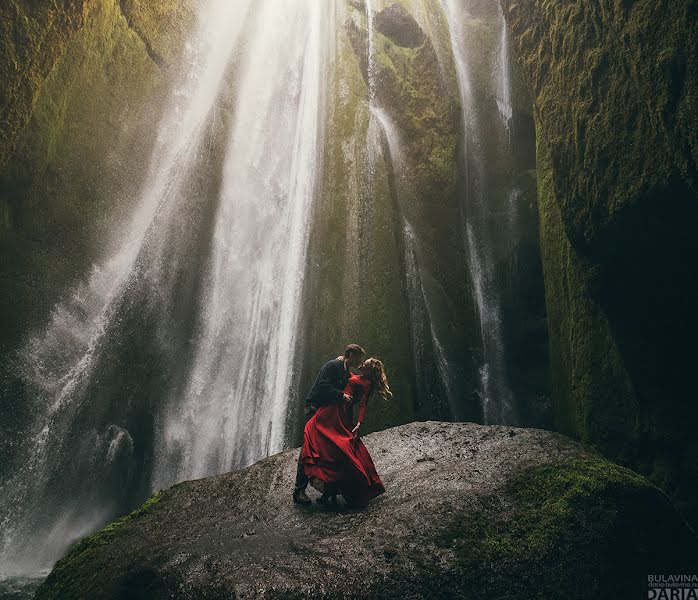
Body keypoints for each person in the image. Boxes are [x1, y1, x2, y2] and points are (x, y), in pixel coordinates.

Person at [299, 357, 392, 507]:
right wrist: (341, 360)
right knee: (328, 446)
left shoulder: (367, 383)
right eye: (363, 362)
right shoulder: (354, 375)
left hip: (339, 411)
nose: (362, 364)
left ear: (369, 371)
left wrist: (359, 423)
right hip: (332, 406)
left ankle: (331, 491)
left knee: (334, 448)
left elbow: (362, 405)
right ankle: (328, 491)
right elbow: (344, 371)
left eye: (365, 364)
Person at [292, 344, 366, 505]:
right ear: (351, 355)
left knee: (330, 447)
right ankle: (299, 490)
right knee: (309, 446)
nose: (360, 361)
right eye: (358, 358)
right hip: (314, 408)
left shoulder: (347, 372)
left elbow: (352, 391)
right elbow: (323, 386)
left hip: (327, 413)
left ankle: (329, 490)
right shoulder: (332, 365)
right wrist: (341, 395)